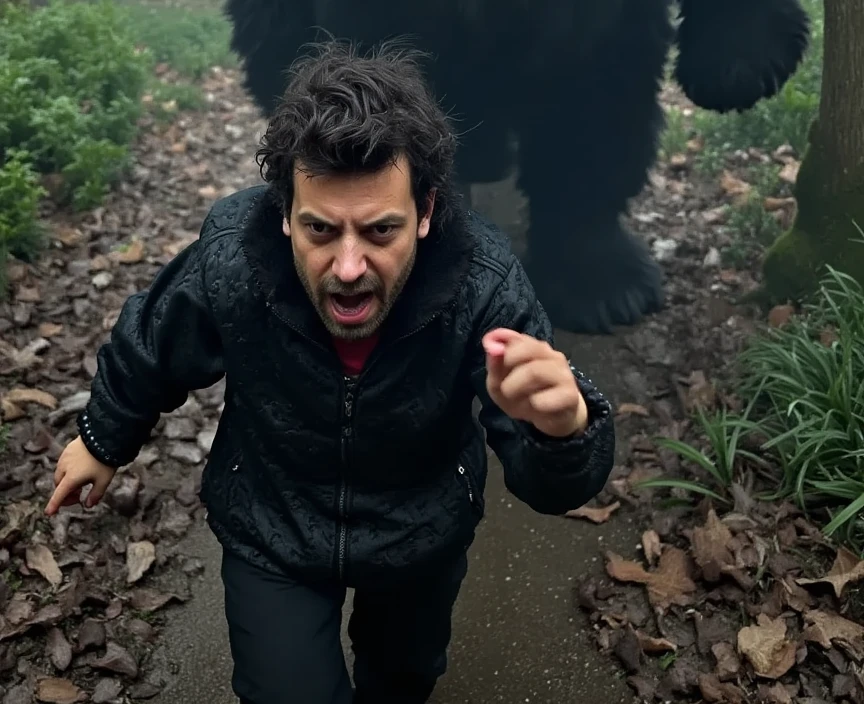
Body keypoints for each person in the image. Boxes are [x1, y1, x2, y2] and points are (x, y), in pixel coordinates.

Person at [46, 41, 615, 704]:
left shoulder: (483, 285)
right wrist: (101, 436)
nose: (348, 267)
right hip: (273, 524)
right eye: (320, 230)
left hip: (418, 535)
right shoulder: (236, 253)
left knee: (401, 680)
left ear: (426, 212)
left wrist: (563, 428)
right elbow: (156, 337)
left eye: (379, 232)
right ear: (284, 213)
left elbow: (552, 485)